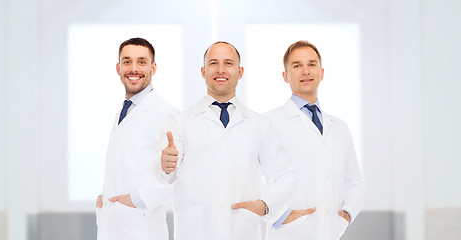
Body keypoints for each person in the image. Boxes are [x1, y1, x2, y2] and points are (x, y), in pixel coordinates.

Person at [157, 41, 298, 240]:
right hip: (195, 232)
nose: (221, 70)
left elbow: (287, 175)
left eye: (228, 63)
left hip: (243, 232)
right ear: (203, 71)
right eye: (213, 63)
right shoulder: (179, 122)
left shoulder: (260, 124)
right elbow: (164, 174)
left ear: (240, 72)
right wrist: (165, 165)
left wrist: (264, 205)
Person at [264, 40, 365, 240]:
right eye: (297, 65)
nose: (305, 71)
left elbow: (354, 182)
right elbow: (250, 179)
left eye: (311, 64)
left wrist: (345, 216)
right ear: (285, 76)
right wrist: (280, 216)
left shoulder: (339, 127)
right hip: (287, 234)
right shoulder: (268, 122)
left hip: (330, 233)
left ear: (322, 72)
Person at [95, 37, 177, 240]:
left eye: (141, 62)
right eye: (127, 61)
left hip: (141, 228)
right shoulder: (122, 113)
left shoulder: (166, 114)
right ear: (118, 68)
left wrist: (136, 199)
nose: (134, 69)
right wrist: (104, 197)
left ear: (153, 67)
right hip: (112, 225)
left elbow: (177, 173)